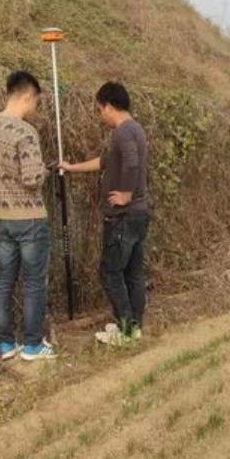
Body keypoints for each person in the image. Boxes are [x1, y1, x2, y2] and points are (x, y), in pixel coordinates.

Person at [0, 70, 57, 362]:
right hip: (30, 218)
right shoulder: (24, 132)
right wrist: (46, 169)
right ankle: (33, 345)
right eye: (36, 102)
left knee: (4, 282)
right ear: (27, 96)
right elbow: (33, 178)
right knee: (33, 282)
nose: (35, 109)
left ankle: (6, 345)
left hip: (0, 217)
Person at [62, 81, 150, 346]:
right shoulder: (137, 130)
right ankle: (133, 328)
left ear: (109, 106)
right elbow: (105, 162)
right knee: (133, 274)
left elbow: (132, 162)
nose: (100, 115)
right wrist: (71, 167)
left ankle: (124, 331)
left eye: (100, 110)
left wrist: (125, 193)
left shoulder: (123, 133)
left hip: (123, 216)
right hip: (139, 215)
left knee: (110, 272)